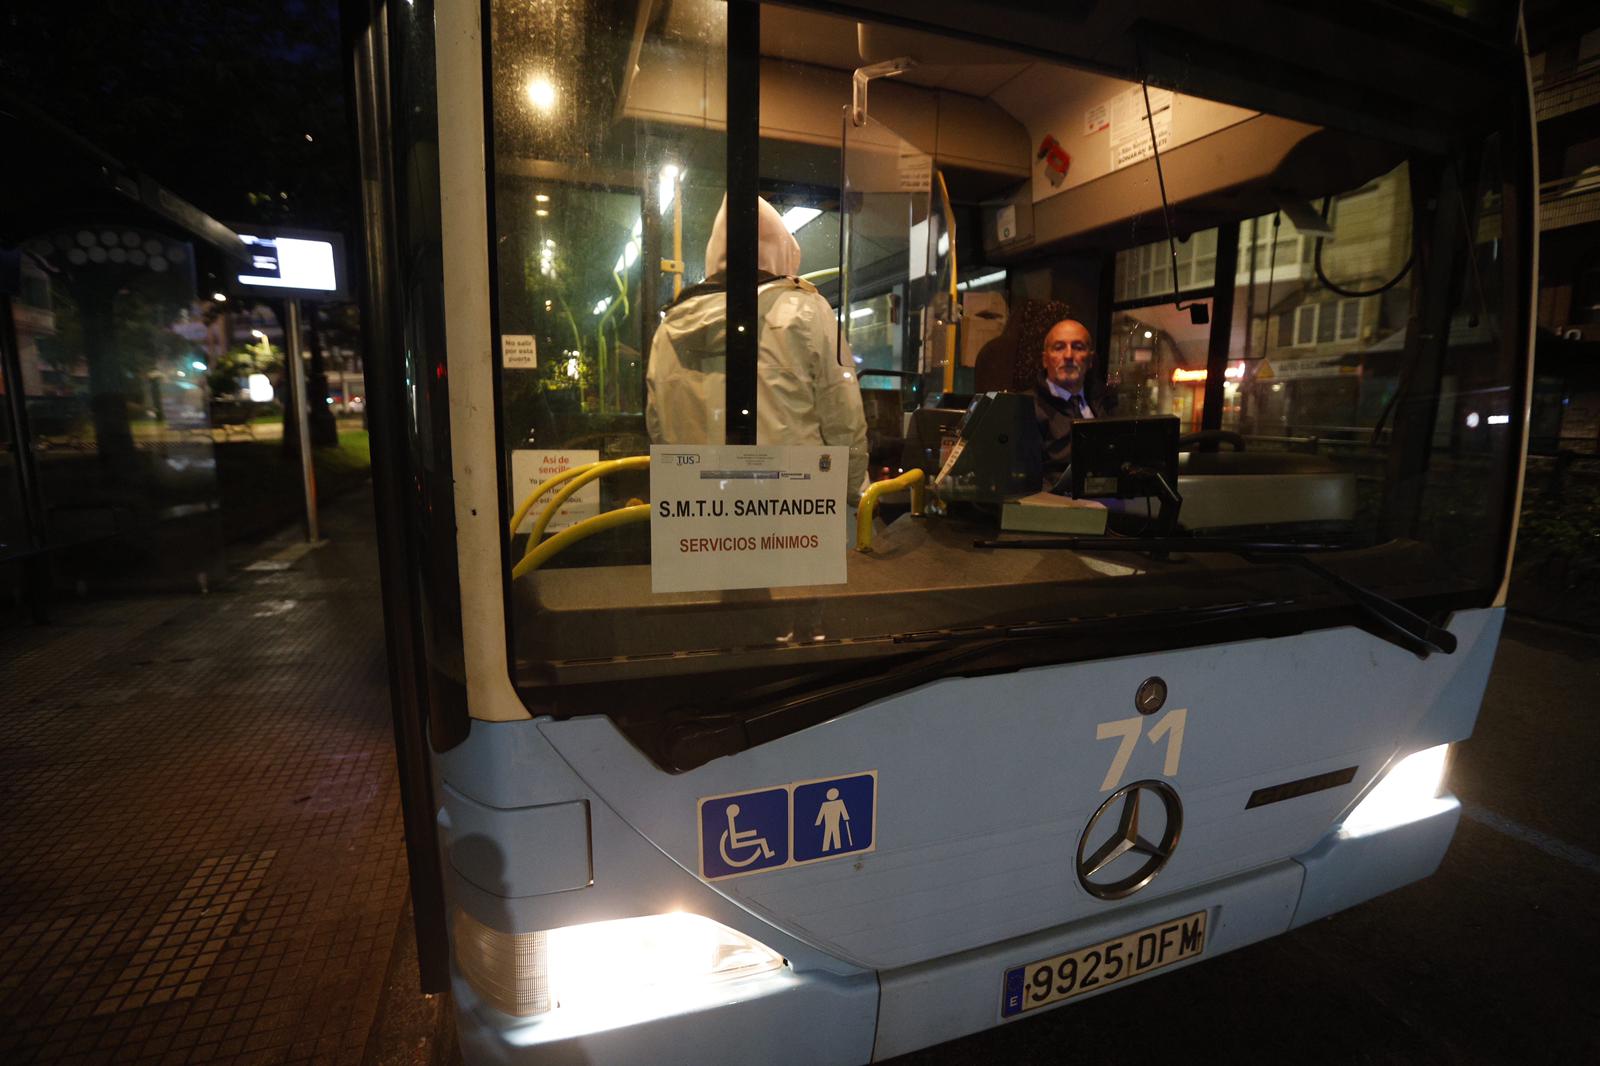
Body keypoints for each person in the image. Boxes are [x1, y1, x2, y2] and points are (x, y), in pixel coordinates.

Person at [646, 196, 869, 502]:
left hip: (698, 514)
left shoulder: (670, 326)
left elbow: (658, 429)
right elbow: (844, 421)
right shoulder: (806, 312)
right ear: (783, 257)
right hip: (794, 513)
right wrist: (854, 497)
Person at [1033, 318, 1114, 486]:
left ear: (1090, 360)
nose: (1069, 356)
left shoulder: (1107, 402)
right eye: (1059, 347)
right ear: (1045, 359)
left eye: (1078, 347)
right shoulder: (1026, 408)